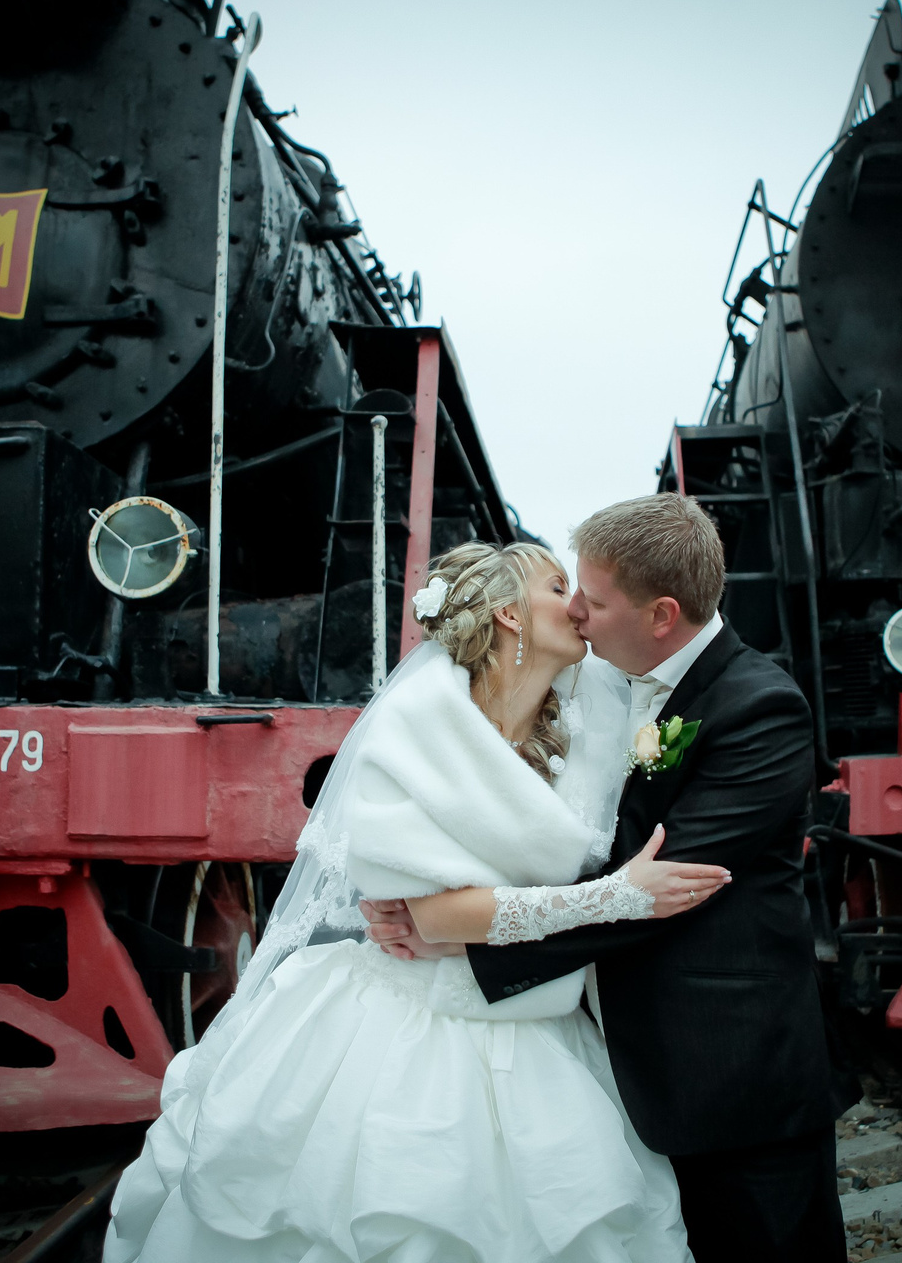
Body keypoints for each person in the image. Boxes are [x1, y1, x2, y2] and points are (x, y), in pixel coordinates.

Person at [103, 539, 724, 1263]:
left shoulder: (587, 733)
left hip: (538, 1019)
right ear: (508, 614)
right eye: (560, 588)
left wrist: (526, 909)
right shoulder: (419, 725)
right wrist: (615, 899)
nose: (580, 606)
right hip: (406, 1026)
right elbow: (431, 917)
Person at [365, 493, 845, 1261]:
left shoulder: (760, 708)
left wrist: (463, 937)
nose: (577, 611)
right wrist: (423, 894)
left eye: (592, 597)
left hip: (732, 1079)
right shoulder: (606, 687)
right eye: (569, 590)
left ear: (661, 616)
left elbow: (660, 891)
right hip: (618, 1067)